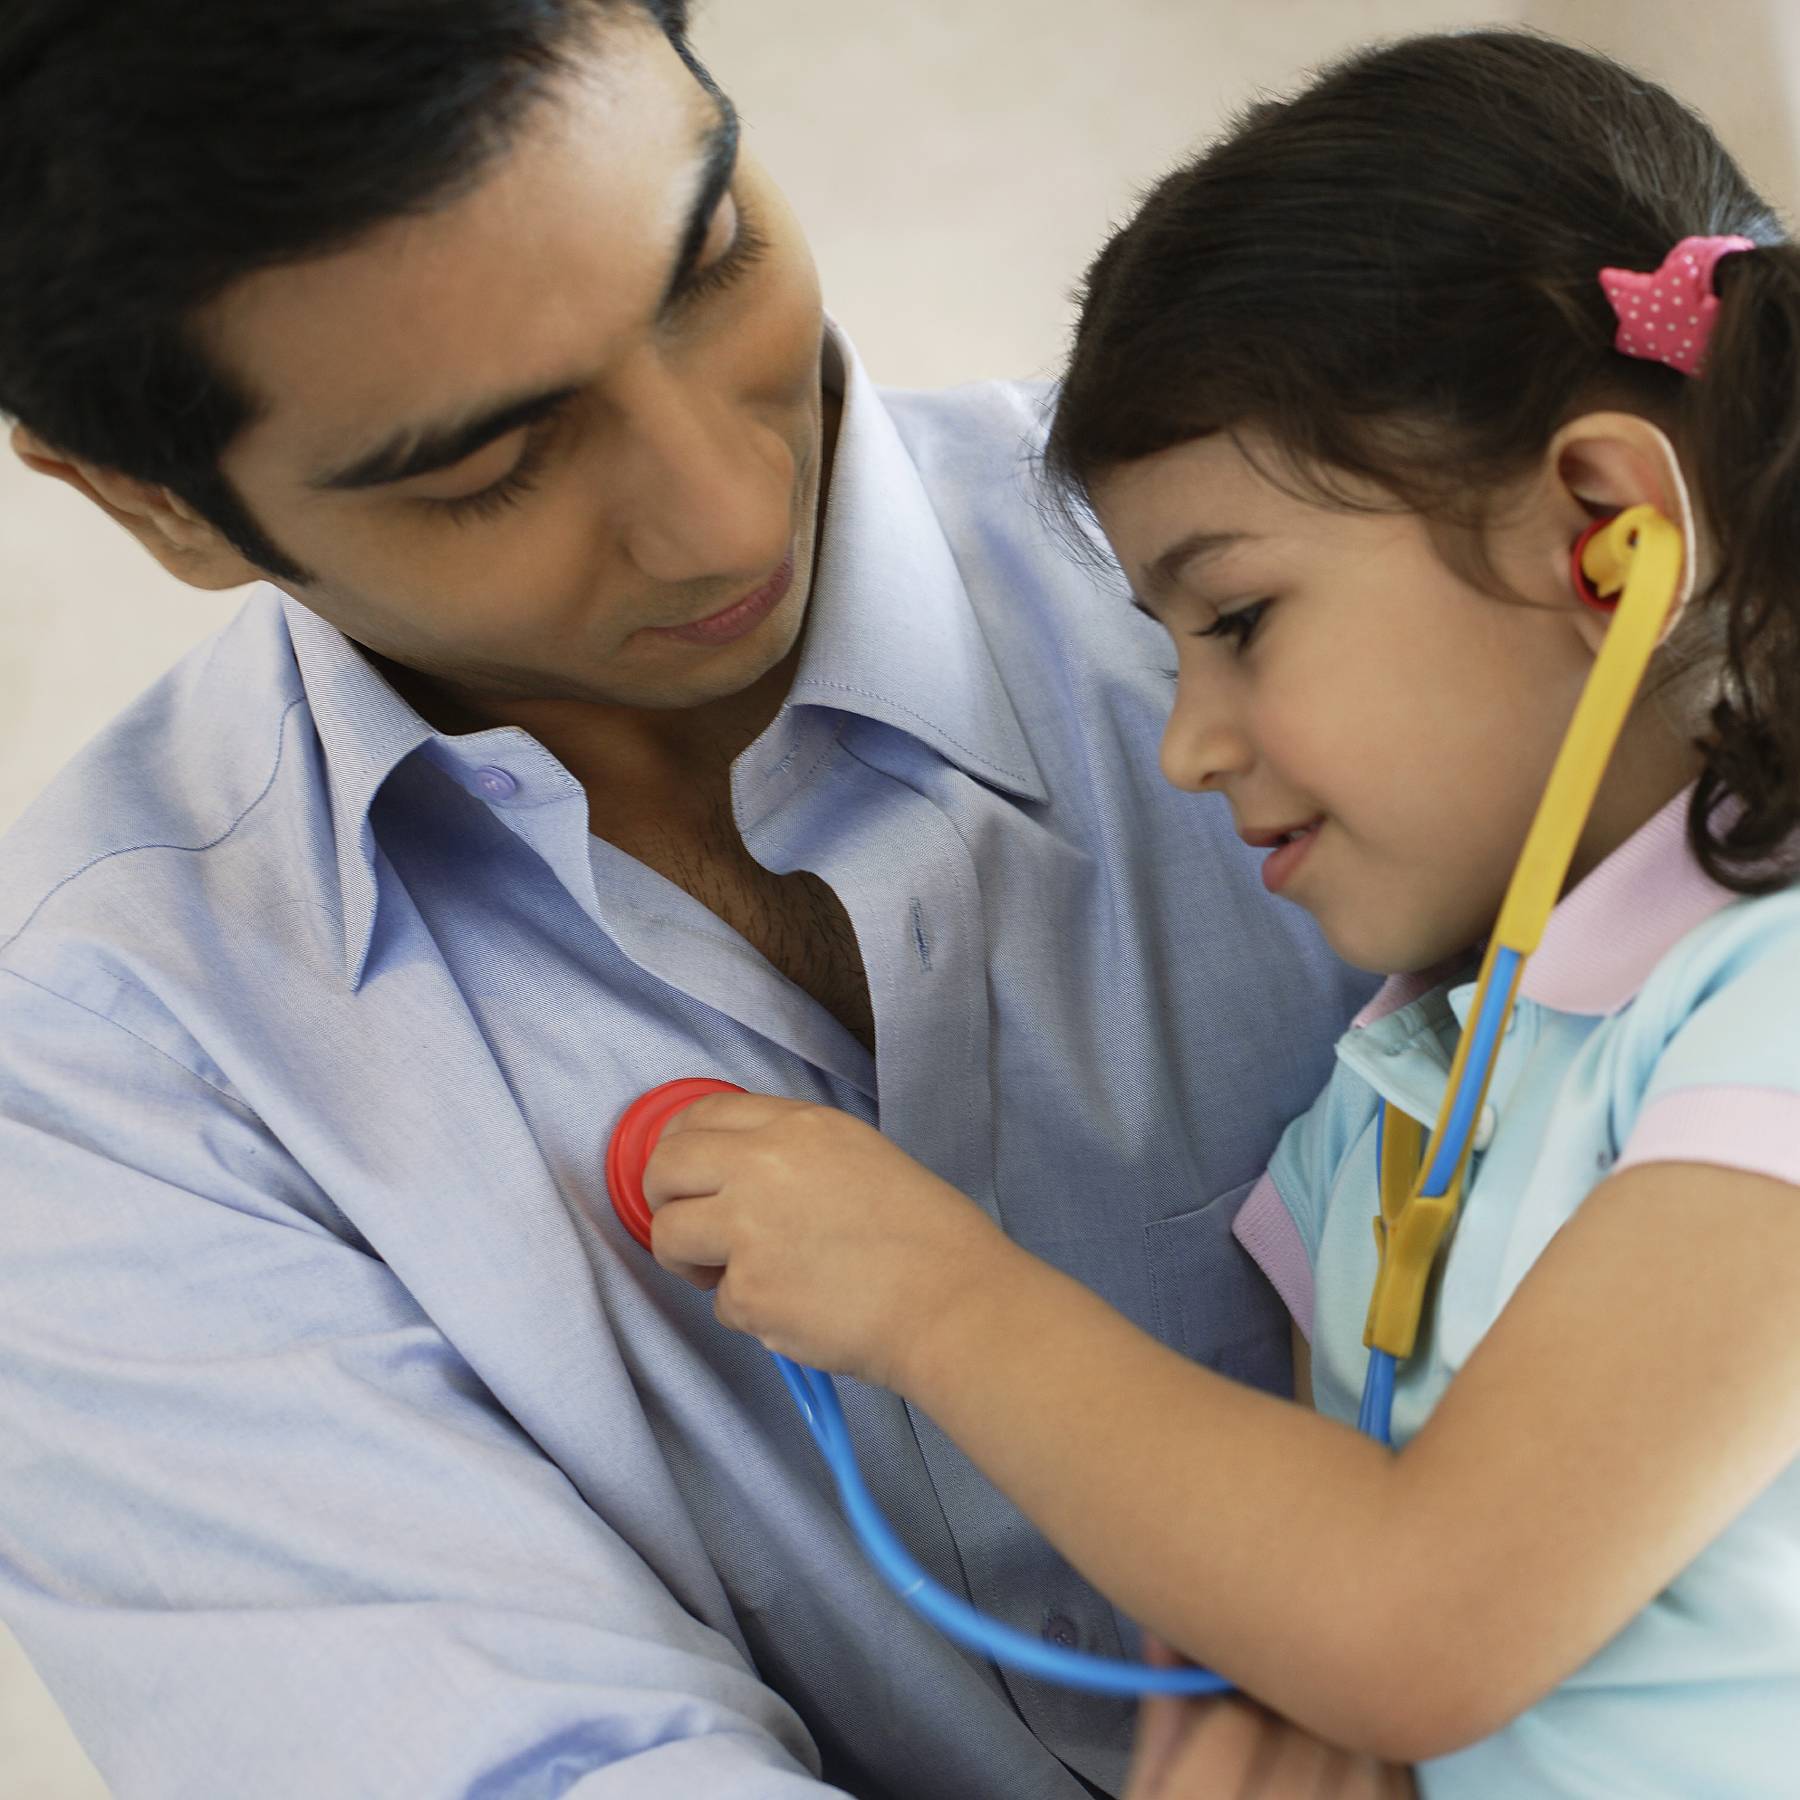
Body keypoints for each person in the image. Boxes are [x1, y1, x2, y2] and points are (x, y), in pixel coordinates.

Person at [0, 2, 1386, 1795]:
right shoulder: (105, 1071)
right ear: (150, 504)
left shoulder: (1392, 574)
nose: (732, 518)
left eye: (711, 260)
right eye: (485, 467)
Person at [639, 28, 1800, 1799]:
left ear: (1605, 530)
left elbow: (1422, 1620)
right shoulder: (1390, 1102)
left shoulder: (1772, 1002)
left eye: (1239, 617)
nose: (1187, 743)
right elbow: (1358, 1637)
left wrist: (939, 1299)